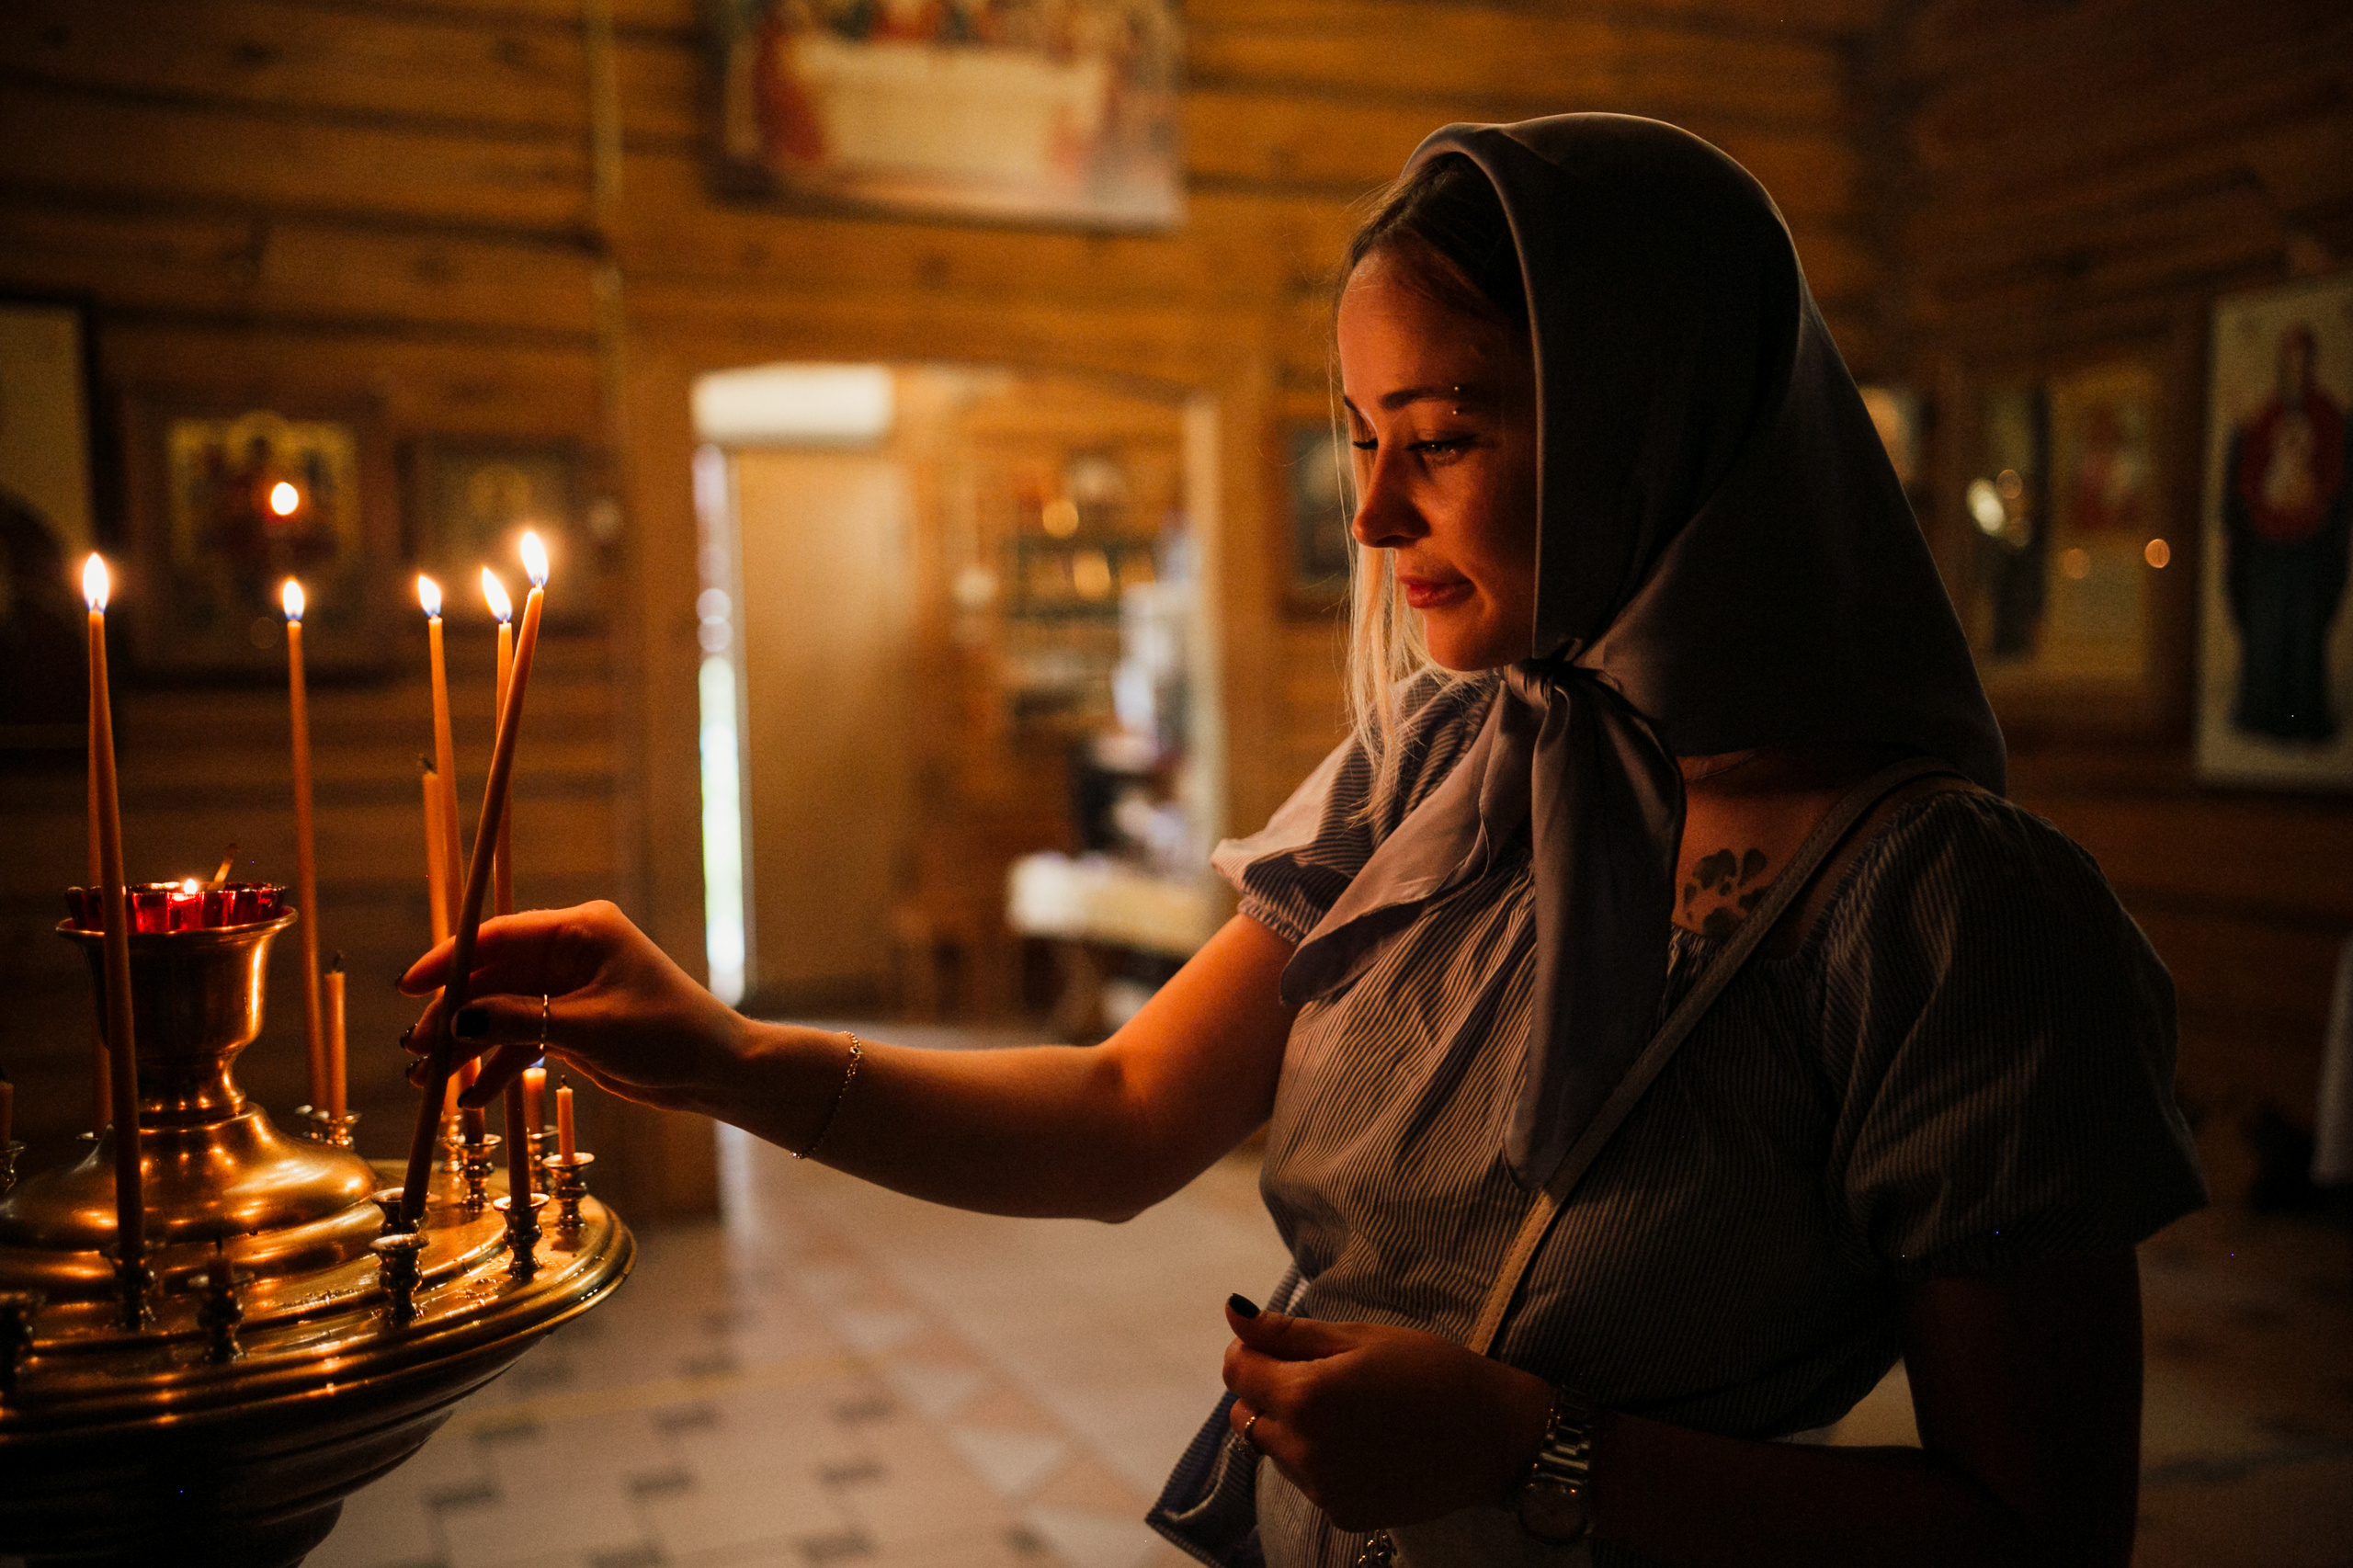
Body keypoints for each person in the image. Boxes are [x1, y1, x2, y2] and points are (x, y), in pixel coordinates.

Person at [403, 116, 2206, 1568]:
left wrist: (1535, 1446)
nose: (1363, 511)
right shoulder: (1441, 762)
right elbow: (1123, 1117)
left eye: (1442, 434)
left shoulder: (1948, 919)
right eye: (1355, 434)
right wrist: (724, 1057)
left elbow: (2036, 1526)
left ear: (1658, 425)